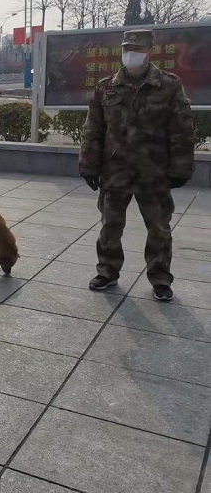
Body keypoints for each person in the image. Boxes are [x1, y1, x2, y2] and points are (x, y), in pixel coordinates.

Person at [79, 28, 195, 301]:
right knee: (110, 225)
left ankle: (160, 278)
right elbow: (93, 129)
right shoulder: (106, 87)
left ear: (149, 52)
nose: (131, 54)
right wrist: (88, 164)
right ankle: (107, 271)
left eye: (138, 49)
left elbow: (182, 130)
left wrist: (181, 168)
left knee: (159, 228)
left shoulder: (168, 86)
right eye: (127, 49)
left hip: (153, 172)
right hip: (115, 171)